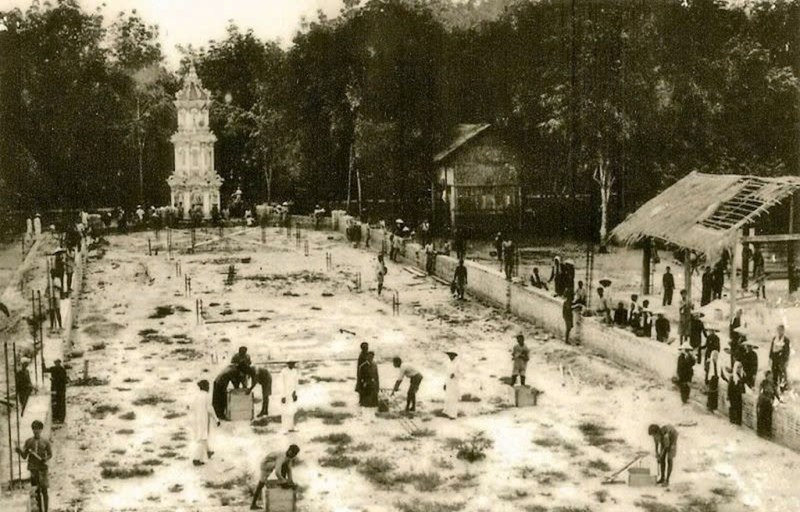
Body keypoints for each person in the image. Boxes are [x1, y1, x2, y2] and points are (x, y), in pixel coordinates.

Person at [16, 420, 52, 512]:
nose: (36, 431)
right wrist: (19, 451)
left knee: (44, 490)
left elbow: (50, 454)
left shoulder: (45, 442)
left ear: (41, 429)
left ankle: (46, 510)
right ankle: (40, 509)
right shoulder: (28, 442)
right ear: (32, 430)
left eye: (38, 429)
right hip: (33, 469)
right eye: (34, 429)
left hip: (43, 469)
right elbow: (24, 456)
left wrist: (45, 459)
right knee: (36, 491)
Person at [250, 445, 300, 510]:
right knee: (261, 483)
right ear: (290, 451)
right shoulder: (282, 456)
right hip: (265, 464)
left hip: (271, 464)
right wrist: (284, 481)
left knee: (261, 483)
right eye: (293, 453)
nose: (293, 456)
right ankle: (253, 504)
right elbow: (277, 472)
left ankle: (253, 504)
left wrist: (291, 482)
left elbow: (289, 470)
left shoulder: (289, 457)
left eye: (295, 454)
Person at [190, 379, 220, 466]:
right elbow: (210, 409)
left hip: (196, 419)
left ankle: (208, 451)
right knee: (202, 438)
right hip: (203, 419)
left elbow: (191, 407)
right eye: (208, 386)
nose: (209, 387)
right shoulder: (207, 396)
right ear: (205, 387)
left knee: (203, 436)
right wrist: (216, 419)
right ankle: (196, 459)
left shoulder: (197, 395)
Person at [721, 361, 746, 425]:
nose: (739, 369)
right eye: (738, 367)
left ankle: (738, 421)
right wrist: (728, 396)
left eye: (740, 367)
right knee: (733, 408)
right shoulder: (732, 377)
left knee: (738, 409)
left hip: (738, 396)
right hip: (733, 396)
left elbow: (743, 386)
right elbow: (729, 388)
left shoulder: (741, 377)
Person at [769, 324, 790, 395]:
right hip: (775, 360)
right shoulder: (774, 339)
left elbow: (787, 351)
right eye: (778, 330)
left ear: (783, 331)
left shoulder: (786, 340)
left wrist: (786, 360)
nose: (780, 332)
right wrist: (770, 358)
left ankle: (782, 390)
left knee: (782, 375)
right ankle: (774, 390)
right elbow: (771, 350)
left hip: (781, 360)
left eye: (781, 330)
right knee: (774, 374)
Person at [45, 359, 68, 424]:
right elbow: (45, 370)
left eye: (58, 363)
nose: (57, 364)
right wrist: (43, 362)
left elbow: (63, 380)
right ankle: (56, 417)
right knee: (56, 403)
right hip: (55, 389)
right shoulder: (53, 369)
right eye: (56, 363)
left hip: (61, 389)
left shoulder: (62, 370)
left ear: (59, 363)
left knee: (61, 404)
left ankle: (61, 418)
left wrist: (54, 380)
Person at [280, 361, 299, 433]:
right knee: (285, 410)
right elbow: (281, 384)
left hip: (292, 393)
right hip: (285, 393)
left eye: (293, 363)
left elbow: (296, 383)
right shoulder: (284, 371)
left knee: (292, 410)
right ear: (288, 364)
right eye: (290, 363)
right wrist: (283, 395)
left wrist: (295, 393)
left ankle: (291, 427)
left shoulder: (295, 371)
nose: (292, 364)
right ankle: (284, 428)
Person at [757, 371, 776, 439]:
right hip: (763, 403)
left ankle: (768, 433)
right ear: (767, 376)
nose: (771, 377)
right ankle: (761, 432)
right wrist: (767, 399)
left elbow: (775, 392)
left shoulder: (772, 384)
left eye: (771, 376)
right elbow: (761, 393)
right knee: (762, 417)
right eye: (769, 376)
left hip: (769, 403)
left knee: (768, 418)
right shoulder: (763, 383)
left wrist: (779, 399)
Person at [443, 352, 460, 419]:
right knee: (448, 398)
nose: (450, 356)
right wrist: (445, 383)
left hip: (454, 383)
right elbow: (446, 375)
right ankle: (448, 413)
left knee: (453, 399)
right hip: (448, 383)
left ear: (454, 356)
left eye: (452, 355)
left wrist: (455, 374)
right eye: (449, 355)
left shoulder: (458, 363)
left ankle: (453, 415)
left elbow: (461, 373)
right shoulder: (448, 363)